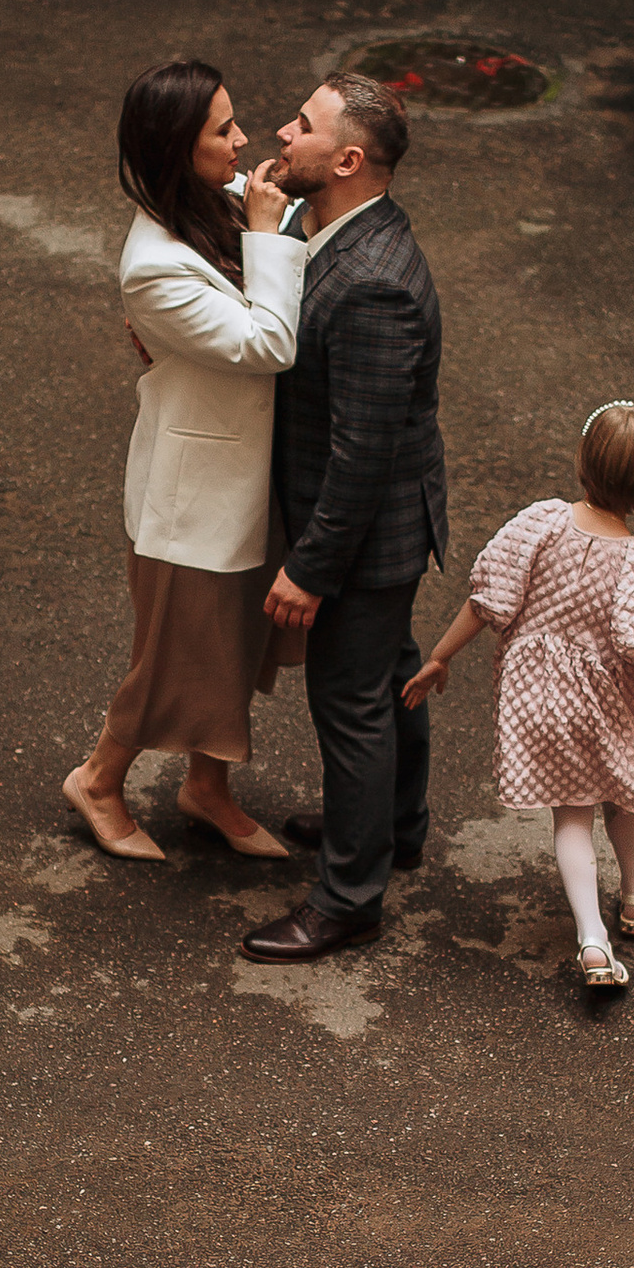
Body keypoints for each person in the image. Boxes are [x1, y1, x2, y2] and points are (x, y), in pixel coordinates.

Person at [406, 398, 634, 991]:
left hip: (540, 700)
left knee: (572, 813)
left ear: (584, 461)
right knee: (624, 793)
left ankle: (592, 940)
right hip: (609, 704)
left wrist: (440, 656)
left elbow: (487, 600)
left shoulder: (540, 523)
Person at [63, 57, 306, 864]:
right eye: (223, 130)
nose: (243, 140)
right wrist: (266, 236)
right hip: (195, 495)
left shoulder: (219, 196)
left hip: (251, 475)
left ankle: (207, 787)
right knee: (172, 655)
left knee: (234, 643)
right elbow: (269, 343)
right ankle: (98, 779)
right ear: (177, 146)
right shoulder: (153, 266)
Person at [241, 73, 447, 962]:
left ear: (348, 161)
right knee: (389, 675)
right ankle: (395, 828)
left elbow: (362, 452)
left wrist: (310, 567)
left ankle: (350, 899)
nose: (283, 133)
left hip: (367, 535)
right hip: (378, 522)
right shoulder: (321, 225)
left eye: (303, 126)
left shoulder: (373, 285)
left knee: (350, 705)